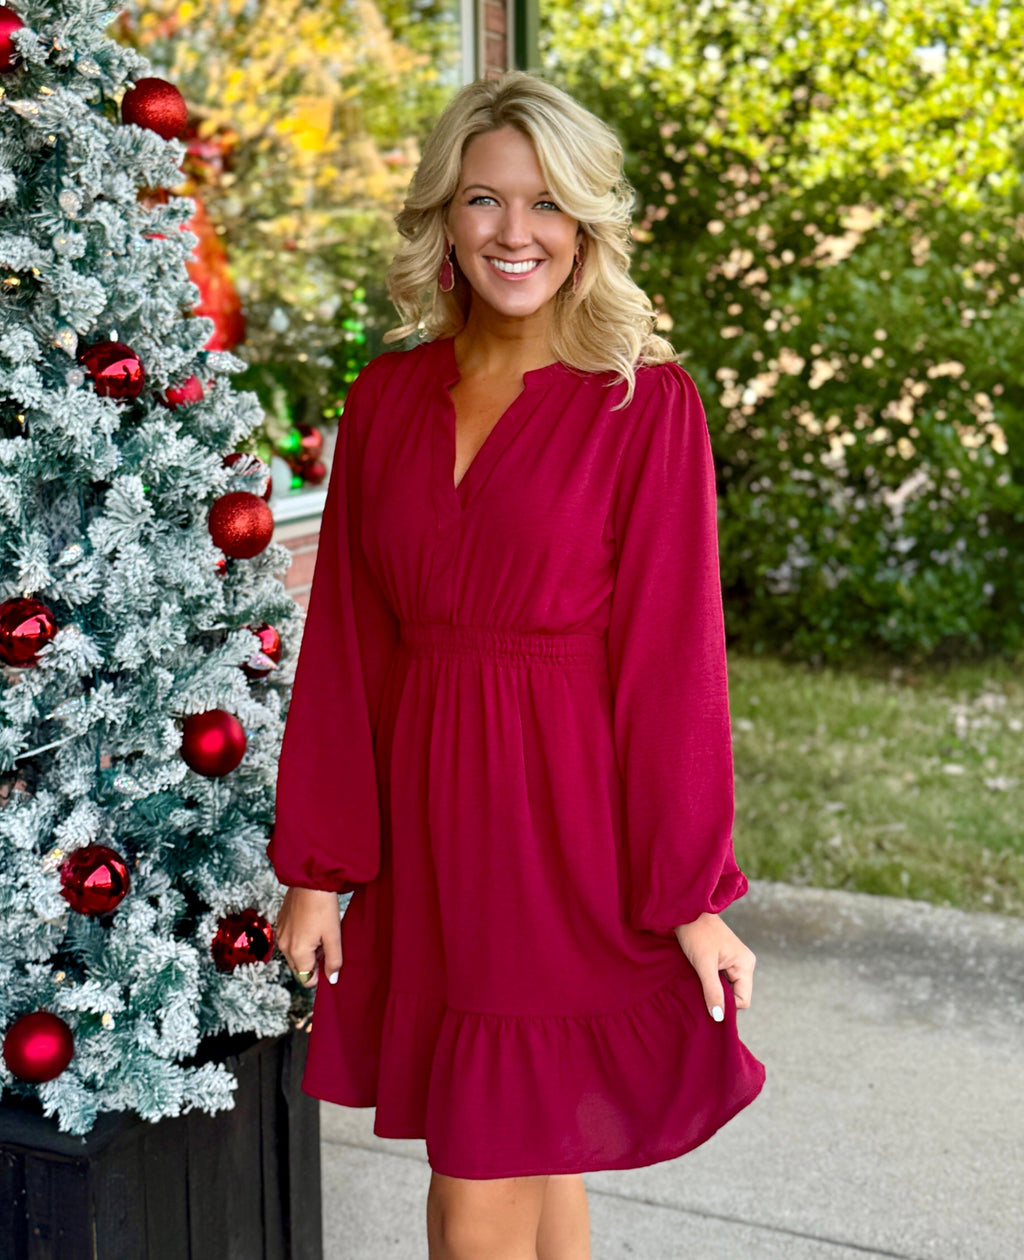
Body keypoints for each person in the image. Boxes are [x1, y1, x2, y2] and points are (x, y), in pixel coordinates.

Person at [269, 69, 765, 1260]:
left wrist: (689, 893)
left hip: (565, 826)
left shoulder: (639, 406)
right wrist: (318, 868)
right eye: (484, 200)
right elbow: (347, 642)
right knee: (527, 1136)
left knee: (480, 1168)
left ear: (586, 222)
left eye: (545, 204)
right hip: (434, 833)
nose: (514, 232)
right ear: (444, 216)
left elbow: (671, 665)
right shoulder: (384, 400)